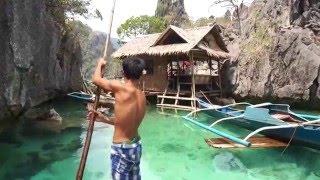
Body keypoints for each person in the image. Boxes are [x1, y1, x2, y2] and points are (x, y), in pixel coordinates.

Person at [90, 57, 147, 180]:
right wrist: (103, 118)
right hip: (136, 146)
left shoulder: (120, 87)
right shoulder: (142, 97)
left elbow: (95, 79)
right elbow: (125, 123)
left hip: (122, 150)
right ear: (140, 74)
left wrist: (100, 64)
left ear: (124, 73)